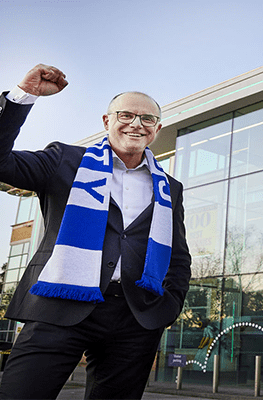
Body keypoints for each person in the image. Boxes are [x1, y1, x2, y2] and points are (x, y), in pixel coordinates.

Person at [0, 64, 191, 399]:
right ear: (107, 121)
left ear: (157, 129)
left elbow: (178, 256)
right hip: (57, 307)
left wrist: (169, 305)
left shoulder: (170, 188)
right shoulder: (65, 160)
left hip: (135, 318)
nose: (136, 123)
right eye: (126, 114)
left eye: (147, 119)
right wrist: (22, 96)